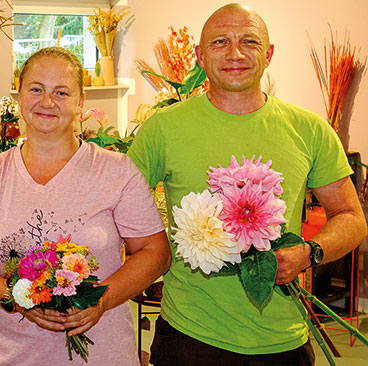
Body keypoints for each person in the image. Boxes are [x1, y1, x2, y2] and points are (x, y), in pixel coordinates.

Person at [127, 4, 367, 365]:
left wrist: (308, 253)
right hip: (189, 335)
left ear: (268, 54)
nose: (235, 53)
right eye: (220, 42)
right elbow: (116, 211)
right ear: (200, 56)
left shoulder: (310, 129)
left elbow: (351, 217)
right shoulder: (162, 129)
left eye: (249, 41)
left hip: (282, 338)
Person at [0, 47, 171, 365]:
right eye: (36, 89)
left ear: (80, 103)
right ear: (20, 95)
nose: (47, 102)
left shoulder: (116, 171)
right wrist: (17, 298)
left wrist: (101, 300)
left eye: (61, 92)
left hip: (102, 356)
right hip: (11, 357)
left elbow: (155, 252)